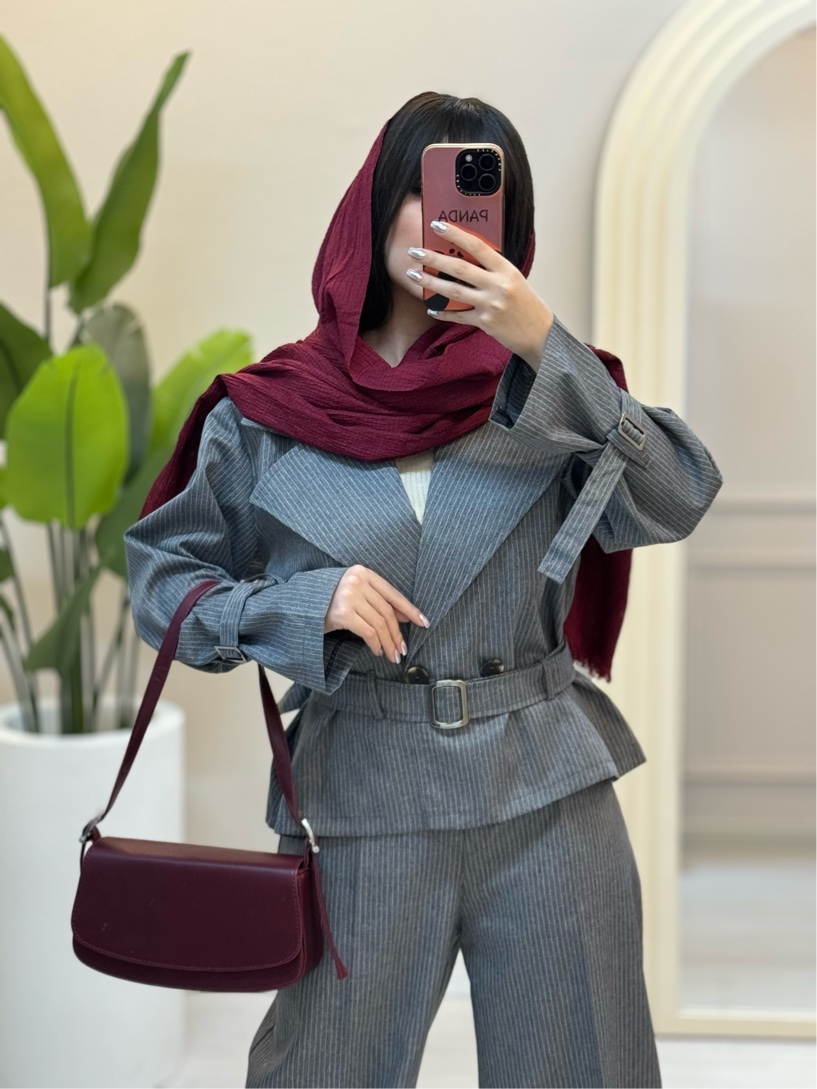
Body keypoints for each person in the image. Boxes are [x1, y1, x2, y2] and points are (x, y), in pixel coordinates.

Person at [124, 91, 723, 1088]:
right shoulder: (268, 411)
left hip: (547, 791)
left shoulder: (555, 393)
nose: (442, 221)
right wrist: (298, 607)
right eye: (419, 190)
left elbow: (678, 496)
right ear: (371, 205)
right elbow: (161, 579)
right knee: (324, 1070)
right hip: (361, 793)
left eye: (475, 198)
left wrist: (548, 345)